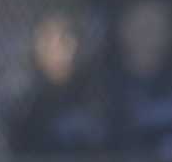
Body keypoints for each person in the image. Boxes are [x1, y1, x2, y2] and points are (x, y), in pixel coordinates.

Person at [9, 10, 106, 153]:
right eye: (48, 40)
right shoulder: (24, 101)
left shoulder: (94, 93)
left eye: (65, 38)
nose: (57, 48)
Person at [107, 0, 172, 159]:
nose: (148, 34)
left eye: (156, 25)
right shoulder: (105, 87)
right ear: (123, 30)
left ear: (170, 32)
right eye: (141, 25)